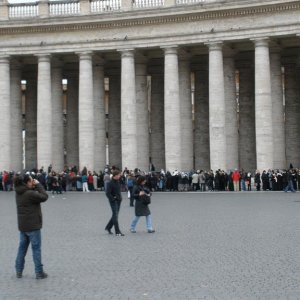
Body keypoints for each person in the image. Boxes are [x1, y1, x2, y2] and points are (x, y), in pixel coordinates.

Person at [14, 174, 49, 279]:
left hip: (23, 225)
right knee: (36, 249)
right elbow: (44, 196)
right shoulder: (29, 194)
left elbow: (31, 194)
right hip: (33, 225)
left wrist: (32, 186)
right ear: (26, 183)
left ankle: (18, 270)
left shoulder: (18, 192)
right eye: (30, 181)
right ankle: (39, 272)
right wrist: (38, 185)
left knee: (22, 249)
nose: (32, 182)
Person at [104, 170, 124, 236]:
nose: (119, 176)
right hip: (113, 201)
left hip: (119, 201)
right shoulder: (109, 183)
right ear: (115, 176)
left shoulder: (118, 181)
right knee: (115, 215)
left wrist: (120, 197)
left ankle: (108, 227)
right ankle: (117, 231)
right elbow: (107, 193)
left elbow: (118, 191)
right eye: (118, 175)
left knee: (115, 215)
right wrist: (113, 199)